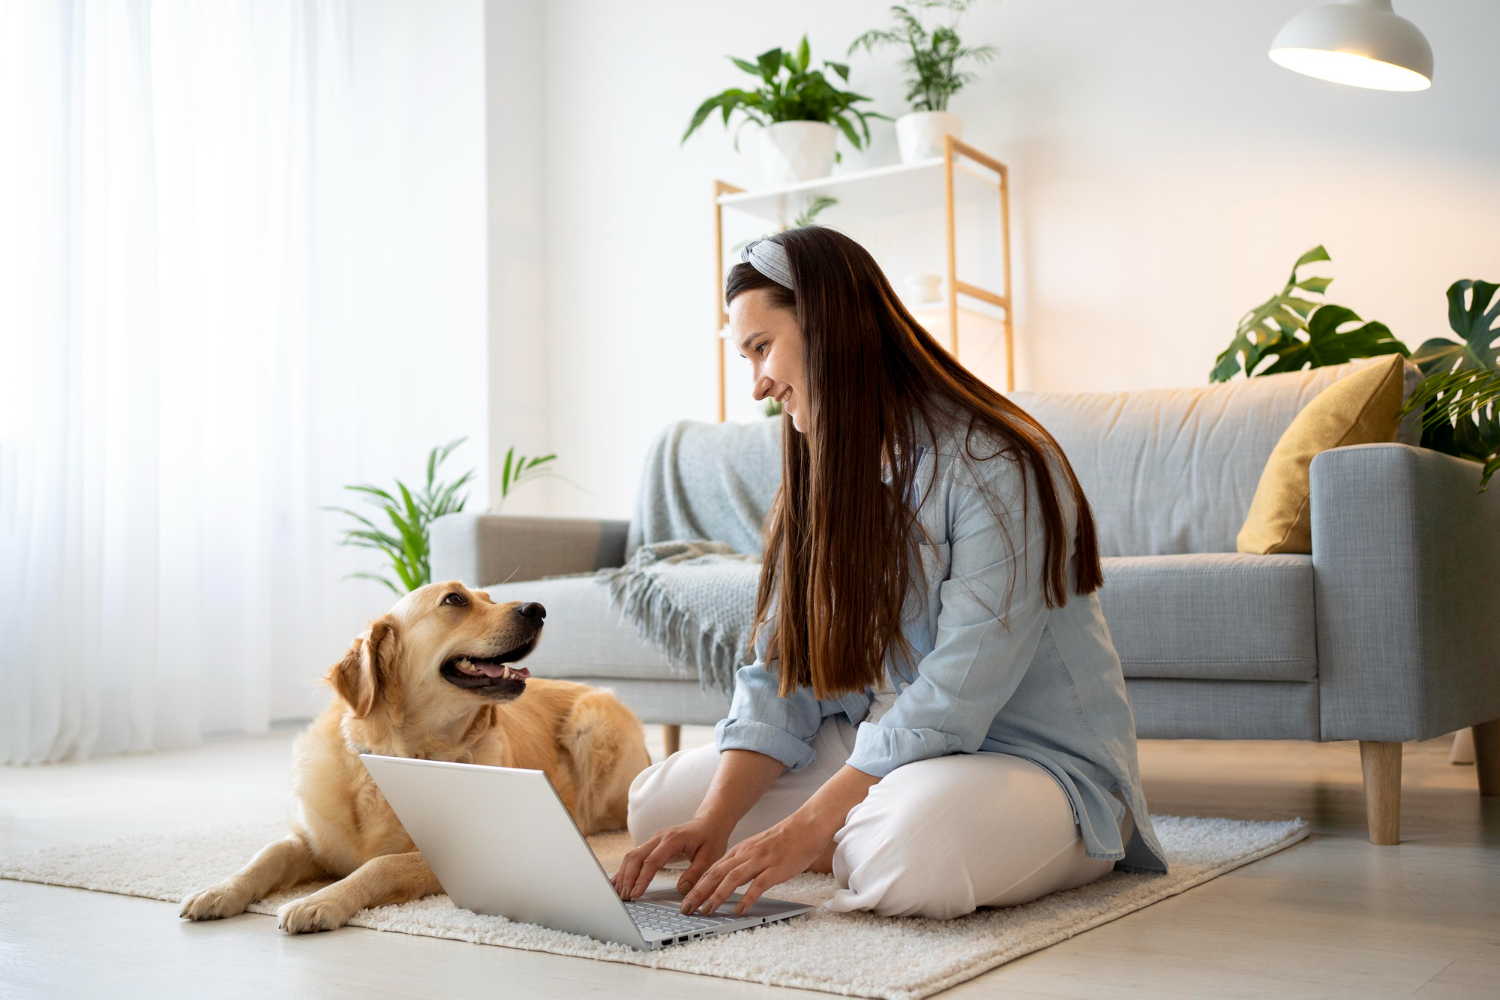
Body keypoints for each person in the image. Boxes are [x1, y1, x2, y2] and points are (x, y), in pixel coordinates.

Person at [610, 227, 1166, 921]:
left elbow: (957, 692)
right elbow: (782, 674)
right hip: (890, 745)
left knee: (908, 855)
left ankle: (854, 839)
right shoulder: (821, 475)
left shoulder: (997, 464)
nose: (757, 383)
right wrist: (715, 821)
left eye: (761, 348)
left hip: (1029, 759)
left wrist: (807, 824)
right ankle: (843, 835)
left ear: (829, 327)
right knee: (657, 808)